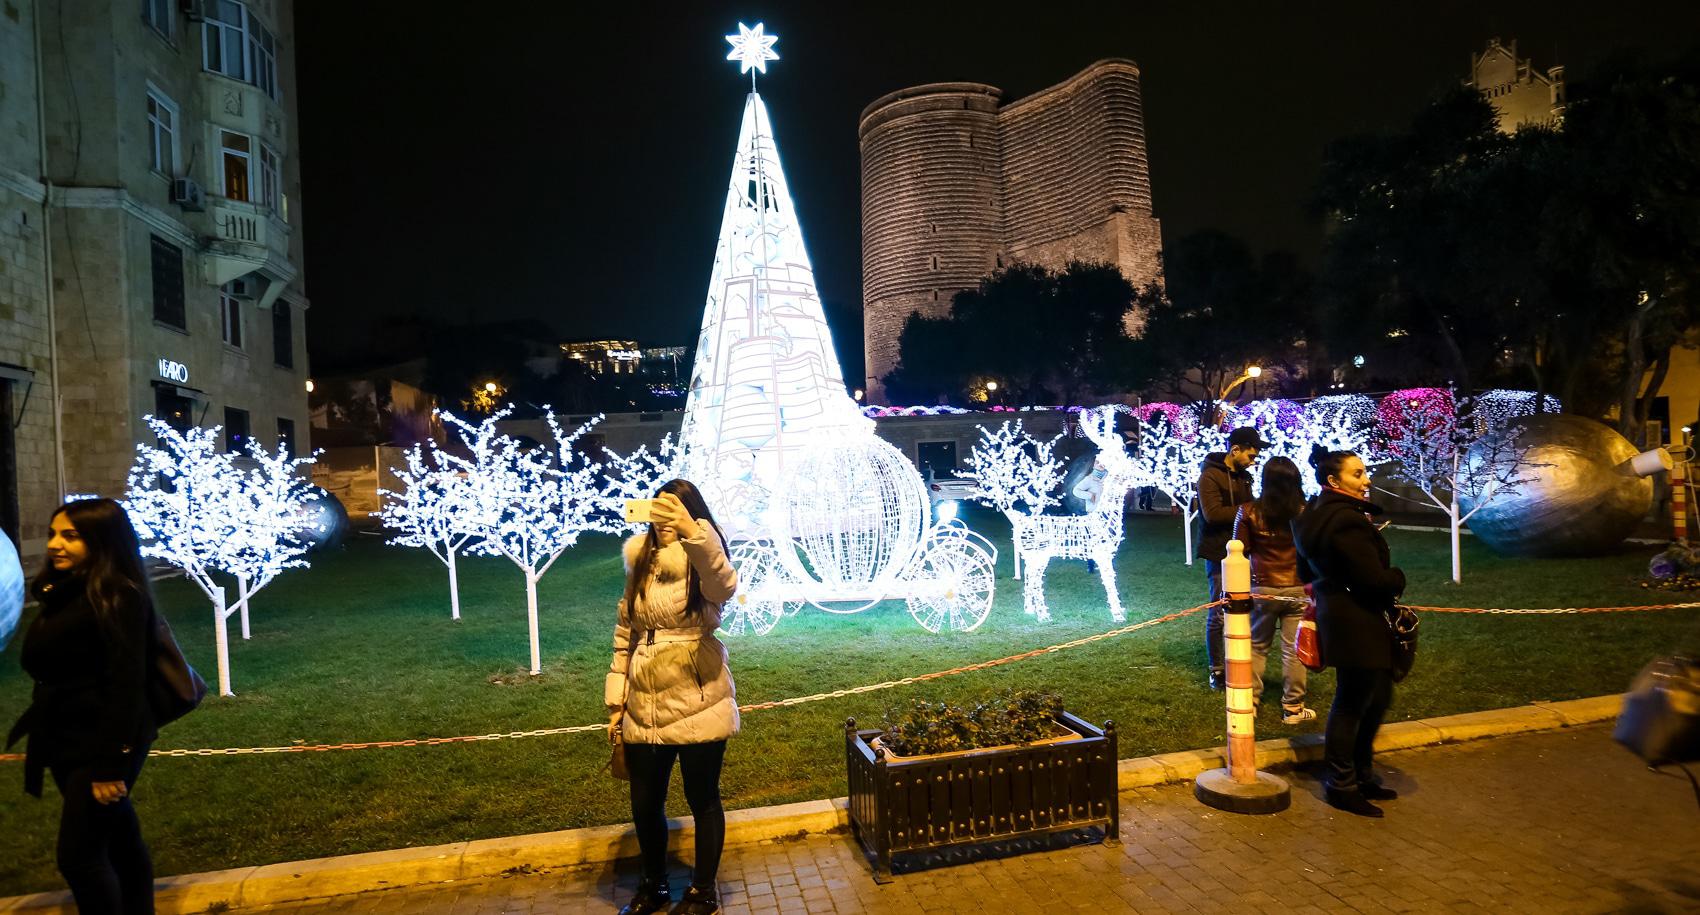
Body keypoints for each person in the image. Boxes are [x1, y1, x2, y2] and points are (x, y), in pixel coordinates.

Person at [7, 499, 157, 913]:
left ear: (103, 540)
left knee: (80, 857)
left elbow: (127, 683)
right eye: (53, 534)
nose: (54, 544)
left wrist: (111, 764)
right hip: (63, 735)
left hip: (100, 743)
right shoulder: (65, 591)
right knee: (121, 842)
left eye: (70, 536)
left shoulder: (118, 596)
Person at [606, 480, 739, 915]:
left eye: (675, 510)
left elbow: (724, 586)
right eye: (659, 510)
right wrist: (617, 703)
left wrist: (692, 531)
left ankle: (703, 892)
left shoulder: (704, 558)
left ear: (691, 513)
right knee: (645, 802)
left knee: (703, 798)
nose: (664, 519)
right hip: (645, 698)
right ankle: (653, 886)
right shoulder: (640, 561)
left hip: (699, 694)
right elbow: (625, 634)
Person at [1293, 446, 1407, 818]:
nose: (1366, 479)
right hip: (1358, 619)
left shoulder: (1314, 515)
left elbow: (1305, 572)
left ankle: (1361, 774)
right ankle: (1342, 784)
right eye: (1357, 474)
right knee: (1353, 703)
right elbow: (1372, 579)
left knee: (1375, 697)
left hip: (1340, 614)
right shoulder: (1346, 520)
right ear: (1333, 480)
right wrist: (1397, 578)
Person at [1232, 457, 1313, 724]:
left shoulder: (1248, 512)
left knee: (1256, 647)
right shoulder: (1305, 512)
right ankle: (1293, 708)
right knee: (1294, 650)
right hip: (1297, 588)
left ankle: (1250, 704)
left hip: (1262, 588)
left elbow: (1238, 551)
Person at [1197, 426, 1269, 689]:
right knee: (1219, 611)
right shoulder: (1209, 476)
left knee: (1243, 609)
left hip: (1244, 553)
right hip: (1219, 553)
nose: (1253, 461)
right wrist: (1251, 508)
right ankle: (1216, 668)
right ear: (1235, 449)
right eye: (1251, 456)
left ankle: (1237, 660)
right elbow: (1213, 514)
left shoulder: (1244, 478)